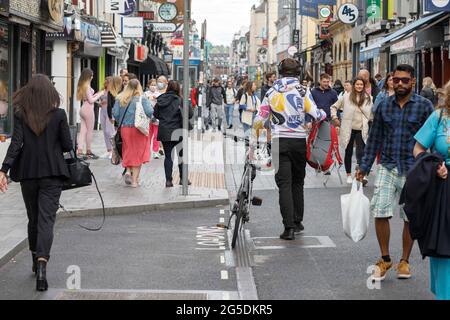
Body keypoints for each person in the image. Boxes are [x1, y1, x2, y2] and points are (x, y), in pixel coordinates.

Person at [356, 64, 435, 281]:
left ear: (413, 82)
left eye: (405, 80)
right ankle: (385, 258)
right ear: (391, 80)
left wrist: (438, 165)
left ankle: (405, 261)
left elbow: (434, 138)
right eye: (396, 79)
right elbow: (374, 139)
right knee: (380, 210)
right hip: (387, 165)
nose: (400, 83)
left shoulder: (425, 106)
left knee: (409, 216)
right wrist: (364, 167)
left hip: (413, 168)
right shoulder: (383, 106)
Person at [0, 74, 73, 291]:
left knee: (33, 219)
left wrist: (3, 169)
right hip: (53, 173)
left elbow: (16, 145)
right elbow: (68, 145)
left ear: (29, 92)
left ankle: (34, 259)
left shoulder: (22, 114)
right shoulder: (59, 115)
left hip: (28, 173)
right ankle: (42, 263)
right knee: (46, 220)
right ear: (50, 93)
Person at [253, 58, 326, 240]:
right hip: (298, 141)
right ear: (298, 73)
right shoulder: (303, 91)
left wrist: (259, 133)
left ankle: (288, 228)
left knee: (284, 184)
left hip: (279, 142)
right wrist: (324, 114)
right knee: (298, 182)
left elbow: (259, 120)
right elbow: (316, 114)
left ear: (279, 72)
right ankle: (298, 220)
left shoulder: (271, 92)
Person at [412, 80, 450, 300]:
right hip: (444, 185)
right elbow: (418, 148)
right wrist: (434, 165)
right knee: (445, 245)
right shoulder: (439, 117)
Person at [112, 79, 153, 188]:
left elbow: (115, 113)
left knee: (128, 150)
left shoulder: (120, 98)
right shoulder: (142, 99)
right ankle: (135, 181)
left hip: (124, 129)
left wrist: (122, 120)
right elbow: (150, 112)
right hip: (138, 129)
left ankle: (128, 171)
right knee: (138, 154)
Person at [331, 77, 373, 185]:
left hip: (361, 129)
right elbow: (334, 107)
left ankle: (361, 174)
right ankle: (348, 174)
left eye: (361, 85)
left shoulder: (368, 98)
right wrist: (335, 118)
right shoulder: (346, 96)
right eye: (357, 84)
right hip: (348, 128)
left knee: (361, 153)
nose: (359, 86)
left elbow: (371, 114)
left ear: (364, 86)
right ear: (354, 85)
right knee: (348, 151)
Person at [154, 80, 193, 187]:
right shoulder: (181, 100)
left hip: (165, 131)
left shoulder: (161, 99)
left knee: (168, 157)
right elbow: (190, 114)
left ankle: (168, 181)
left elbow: (156, 114)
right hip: (179, 131)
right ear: (178, 89)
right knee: (181, 156)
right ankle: (183, 179)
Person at [76, 68, 105, 159]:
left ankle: (80, 151)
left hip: (83, 108)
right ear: (88, 76)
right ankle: (88, 151)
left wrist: (97, 95)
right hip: (88, 109)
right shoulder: (87, 86)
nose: (92, 77)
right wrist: (100, 94)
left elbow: (89, 98)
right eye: (91, 75)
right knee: (89, 131)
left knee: (82, 131)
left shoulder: (82, 85)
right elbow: (91, 100)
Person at [145, 79, 163, 159]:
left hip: (156, 117)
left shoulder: (159, 94)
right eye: (151, 85)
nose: (153, 86)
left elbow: (162, 105)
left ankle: (155, 151)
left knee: (156, 135)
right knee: (148, 135)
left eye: (155, 85)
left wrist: (157, 99)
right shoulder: (145, 94)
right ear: (148, 85)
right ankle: (147, 151)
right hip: (148, 118)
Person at [99, 77, 116, 159]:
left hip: (109, 112)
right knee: (105, 131)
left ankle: (113, 150)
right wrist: (99, 103)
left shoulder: (112, 92)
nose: (105, 84)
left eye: (107, 82)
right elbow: (99, 100)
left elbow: (113, 103)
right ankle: (108, 150)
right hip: (102, 111)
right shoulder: (102, 91)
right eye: (105, 82)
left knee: (110, 131)